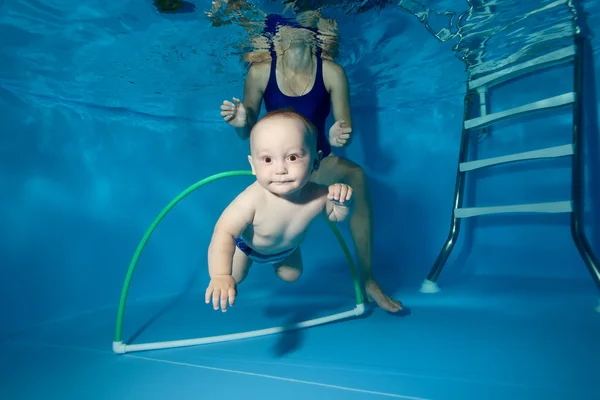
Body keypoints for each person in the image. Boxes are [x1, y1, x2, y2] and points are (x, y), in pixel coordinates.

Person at [218, 12, 403, 313]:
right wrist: (241, 122)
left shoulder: (331, 71)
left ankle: (368, 279)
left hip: (315, 160)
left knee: (355, 175)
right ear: (277, 34)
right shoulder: (260, 72)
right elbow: (246, 132)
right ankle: (271, 246)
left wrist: (339, 134)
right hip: (280, 163)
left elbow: (345, 131)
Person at [205, 109, 354, 312]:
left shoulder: (319, 195)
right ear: (253, 166)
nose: (280, 169)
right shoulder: (252, 199)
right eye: (267, 160)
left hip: (287, 250)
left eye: (292, 157)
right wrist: (220, 275)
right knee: (234, 278)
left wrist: (342, 203)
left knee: (292, 276)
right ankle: (244, 262)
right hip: (248, 247)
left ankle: (279, 261)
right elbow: (224, 231)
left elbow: (336, 216)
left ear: (315, 161)